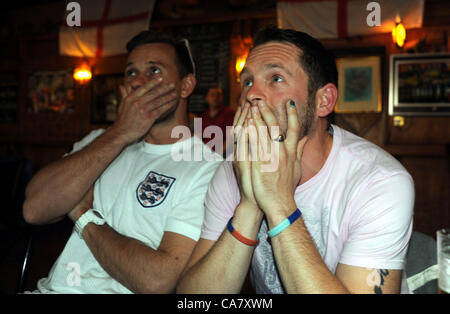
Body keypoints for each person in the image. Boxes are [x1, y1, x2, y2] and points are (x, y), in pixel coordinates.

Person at [177, 27, 414, 294]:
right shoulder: (231, 170)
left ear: (324, 101)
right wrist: (250, 204)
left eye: (275, 78)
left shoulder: (379, 181)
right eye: (247, 81)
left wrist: (278, 203)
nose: (251, 94)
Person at [22, 31, 222, 293]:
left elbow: (156, 282)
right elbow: (34, 209)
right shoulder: (101, 141)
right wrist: (120, 134)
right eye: (131, 73)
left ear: (186, 86)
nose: (139, 82)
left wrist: (83, 214)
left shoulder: (207, 168)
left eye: (154, 71)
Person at [200, 86, 235, 156]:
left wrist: (216, 155)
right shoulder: (202, 116)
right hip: (207, 155)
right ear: (206, 98)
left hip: (225, 154)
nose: (215, 98)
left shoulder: (229, 113)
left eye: (218, 95)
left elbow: (231, 139)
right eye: (212, 95)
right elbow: (199, 139)